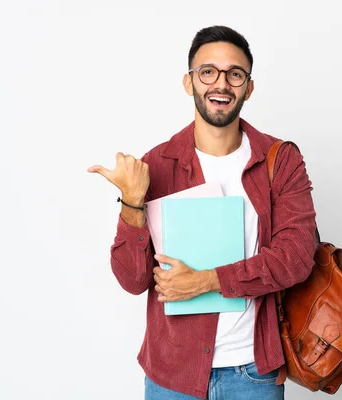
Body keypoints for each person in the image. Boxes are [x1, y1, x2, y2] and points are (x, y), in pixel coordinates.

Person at [88, 25, 318, 400]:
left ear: (249, 87)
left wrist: (207, 281)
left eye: (235, 74)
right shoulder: (155, 165)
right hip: (172, 374)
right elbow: (132, 280)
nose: (221, 84)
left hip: (253, 374)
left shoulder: (280, 160)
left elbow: (295, 258)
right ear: (188, 82)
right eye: (208, 72)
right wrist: (132, 204)